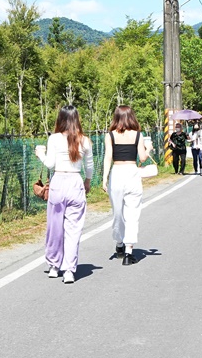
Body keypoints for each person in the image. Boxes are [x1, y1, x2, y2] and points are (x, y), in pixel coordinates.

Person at [35, 105, 93, 284]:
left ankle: (54, 266)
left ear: (60, 119)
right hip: (76, 182)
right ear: (77, 119)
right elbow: (89, 166)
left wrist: (40, 154)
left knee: (55, 226)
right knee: (73, 229)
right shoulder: (85, 140)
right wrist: (87, 182)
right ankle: (69, 270)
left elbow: (50, 164)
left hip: (59, 182)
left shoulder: (54, 139)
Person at [103, 105, 153, 266]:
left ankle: (119, 244)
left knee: (118, 212)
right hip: (132, 172)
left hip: (116, 172)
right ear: (131, 116)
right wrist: (149, 148)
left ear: (116, 117)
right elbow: (143, 158)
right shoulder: (138, 135)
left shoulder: (109, 135)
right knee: (132, 212)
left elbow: (108, 158)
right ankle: (128, 251)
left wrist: (104, 178)